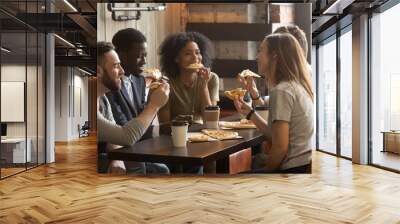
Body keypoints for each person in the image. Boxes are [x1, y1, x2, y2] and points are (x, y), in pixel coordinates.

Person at [233, 33, 314, 173]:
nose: (257, 57)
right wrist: (250, 113)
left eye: (261, 50)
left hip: (290, 171)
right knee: (256, 161)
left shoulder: (282, 91)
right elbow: (276, 137)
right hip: (302, 166)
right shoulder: (296, 86)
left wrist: (266, 172)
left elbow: (280, 147)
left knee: (234, 180)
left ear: (274, 55)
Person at [97, 41, 170, 174]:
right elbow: (127, 136)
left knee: (161, 170)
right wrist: (154, 105)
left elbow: (113, 137)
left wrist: (116, 158)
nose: (122, 71)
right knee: (136, 165)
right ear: (98, 71)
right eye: (115, 66)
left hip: (110, 156)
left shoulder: (103, 99)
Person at [238, 25, 309, 107]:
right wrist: (254, 93)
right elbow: (267, 110)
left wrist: (251, 113)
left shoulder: (286, 90)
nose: (257, 57)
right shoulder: (287, 85)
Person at [158, 32, 219, 124]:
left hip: (204, 134)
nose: (195, 58)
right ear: (176, 58)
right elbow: (164, 125)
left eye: (198, 53)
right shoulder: (166, 84)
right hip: (176, 133)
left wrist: (203, 86)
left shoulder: (212, 79)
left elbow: (211, 122)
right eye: (188, 54)